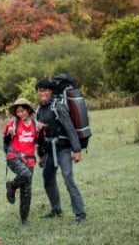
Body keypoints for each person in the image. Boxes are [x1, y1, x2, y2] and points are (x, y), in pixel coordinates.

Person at [35, 78, 87, 224]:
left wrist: (77, 150)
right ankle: (56, 209)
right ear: (38, 93)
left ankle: (80, 214)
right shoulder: (39, 109)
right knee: (48, 179)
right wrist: (41, 154)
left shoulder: (57, 106)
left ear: (50, 91)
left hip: (63, 148)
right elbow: (40, 135)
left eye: (45, 90)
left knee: (68, 179)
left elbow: (69, 127)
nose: (43, 93)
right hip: (48, 151)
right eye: (40, 90)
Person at [2, 98, 42, 228]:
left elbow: (40, 143)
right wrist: (9, 135)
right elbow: (5, 142)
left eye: (22, 111)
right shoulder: (13, 124)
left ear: (28, 110)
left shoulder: (36, 125)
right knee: (26, 175)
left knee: (26, 191)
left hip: (29, 159)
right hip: (14, 156)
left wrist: (41, 132)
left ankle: (24, 220)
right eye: (18, 112)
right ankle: (12, 186)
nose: (20, 114)